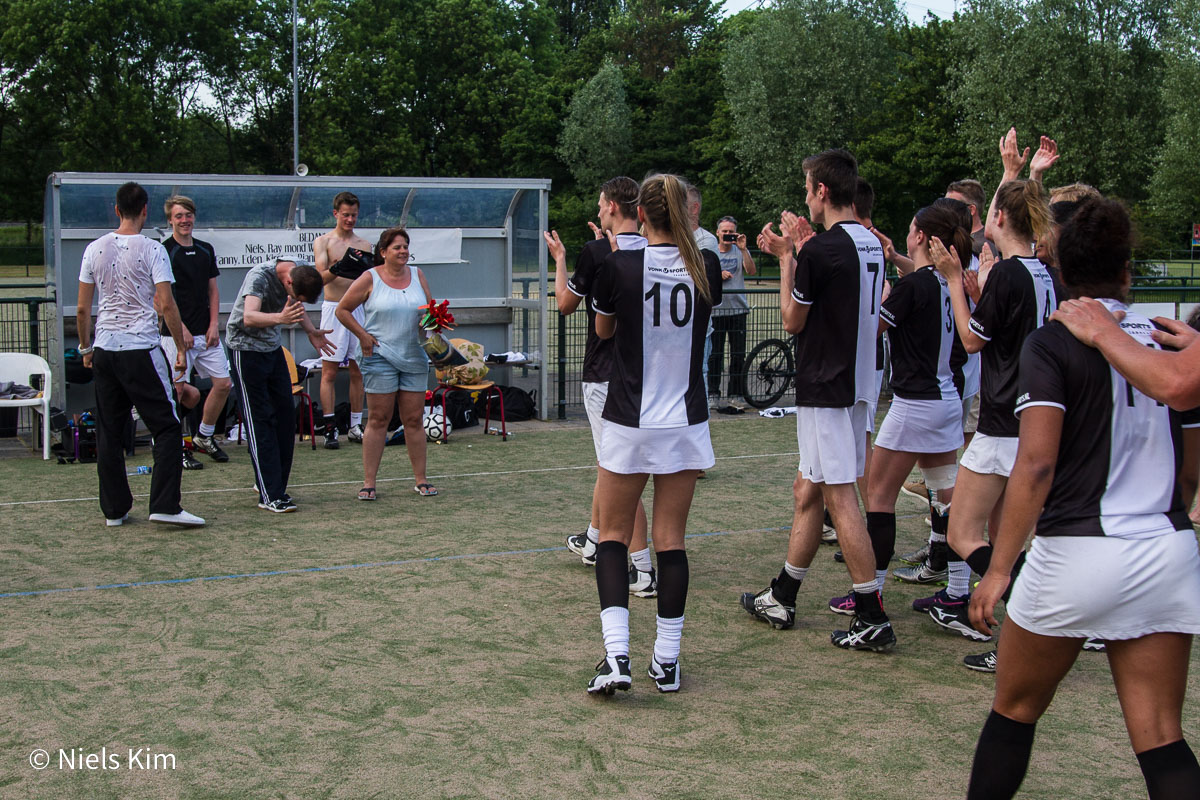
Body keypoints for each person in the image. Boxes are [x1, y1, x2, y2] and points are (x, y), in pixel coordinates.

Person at [965, 197, 1200, 800]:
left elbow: (1037, 463)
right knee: (1161, 736)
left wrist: (998, 568)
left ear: (1062, 272)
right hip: (1165, 548)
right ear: (1127, 270)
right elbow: (1190, 471)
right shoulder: (1177, 341)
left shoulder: (1053, 341)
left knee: (1014, 711)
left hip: (1076, 552)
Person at [743, 148, 896, 653]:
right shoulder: (870, 243)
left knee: (839, 496)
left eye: (808, 187)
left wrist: (788, 258)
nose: (805, 197)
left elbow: (791, 320)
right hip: (857, 385)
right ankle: (783, 595)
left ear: (822, 191)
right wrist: (802, 250)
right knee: (807, 489)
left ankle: (871, 612)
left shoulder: (822, 251)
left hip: (826, 387)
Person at [585, 173, 722, 695]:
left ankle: (617, 656)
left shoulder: (619, 264)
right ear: (685, 212)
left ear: (640, 213)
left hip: (629, 417)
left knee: (614, 536)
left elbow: (603, 330)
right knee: (671, 542)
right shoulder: (705, 263)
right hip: (685, 420)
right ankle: (667, 660)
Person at [930, 161, 1060, 672]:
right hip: (1033, 419)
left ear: (1000, 217)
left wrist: (953, 281)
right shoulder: (1042, 271)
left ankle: (1038, 616)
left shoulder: (1008, 271)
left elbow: (971, 340)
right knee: (1006, 545)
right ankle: (1025, 635)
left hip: (1003, 421)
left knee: (963, 535)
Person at [852, 201, 984, 641]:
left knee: (878, 497)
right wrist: (893, 258)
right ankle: (957, 595)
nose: (907, 234)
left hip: (915, 403)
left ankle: (870, 595)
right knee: (948, 501)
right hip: (946, 400)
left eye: (911, 229)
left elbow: (870, 332)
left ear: (923, 237)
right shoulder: (949, 281)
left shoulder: (912, 287)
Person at [545, 176, 656, 597]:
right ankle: (594, 540)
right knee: (611, 465)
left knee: (620, 474)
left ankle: (642, 568)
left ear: (612, 206)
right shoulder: (655, 248)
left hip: (605, 374)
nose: (596, 210)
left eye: (600, 203)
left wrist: (560, 259)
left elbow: (564, 304)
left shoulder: (596, 253)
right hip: (644, 374)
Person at [75, 181, 204, 528]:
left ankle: (114, 510)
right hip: (140, 348)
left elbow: (83, 309)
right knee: (167, 425)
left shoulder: (93, 249)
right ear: (145, 210)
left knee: (109, 430)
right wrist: (180, 348)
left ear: (117, 210)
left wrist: (86, 348)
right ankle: (165, 505)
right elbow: (166, 303)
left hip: (104, 348)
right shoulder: (152, 249)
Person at [335, 227, 437, 500]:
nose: (403, 251)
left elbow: (430, 311)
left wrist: (434, 323)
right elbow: (342, 310)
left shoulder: (418, 275)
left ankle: (421, 480)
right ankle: (369, 483)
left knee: (414, 419)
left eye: (405, 247)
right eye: (397, 247)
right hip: (379, 357)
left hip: (414, 356)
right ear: (383, 252)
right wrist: (362, 335)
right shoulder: (369, 277)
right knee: (378, 419)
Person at [226, 257, 333, 512]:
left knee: (285, 417)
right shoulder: (259, 277)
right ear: (288, 282)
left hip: (272, 350)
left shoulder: (301, 269)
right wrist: (280, 318)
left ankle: (271, 483)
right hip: (245, 350)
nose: (295, 301)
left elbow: (297, 307)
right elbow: (249, 317)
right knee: (260, 419)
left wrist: (311, 331)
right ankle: (270, 495)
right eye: (294, 296)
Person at [158, 195, 232, 469]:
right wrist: (181, 331)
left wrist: (213, 325)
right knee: (177, 392)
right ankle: (173, 447)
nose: (184, 220)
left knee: (223, 384)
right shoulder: (164, 251)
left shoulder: (205, 249)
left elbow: (213, 291)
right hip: (175, 336)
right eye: (179, 216)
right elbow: (161, 299)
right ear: (170, 220)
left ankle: (204, 436)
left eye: (188, 215)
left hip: (206, 333)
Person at [313, 191, 371, 449]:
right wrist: (339, 266)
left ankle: (356, 425)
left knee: (359, 369)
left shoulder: (364, 244)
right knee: (329, 371)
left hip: (357, 309)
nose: (350, 220)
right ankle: (329, 427)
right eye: (346, 215)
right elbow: (319, 278)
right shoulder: (323, 242)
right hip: (333, 308)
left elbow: (369, 279)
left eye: (354, 215)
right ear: (335, 213)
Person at [709, 216, 756, 402]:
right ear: (717, 233)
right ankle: (713, 393)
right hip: (717, 310)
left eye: (731, 232)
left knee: (737, 355)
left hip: (738, 310)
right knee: (715, 355)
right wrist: (717, 274)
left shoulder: (739, 251)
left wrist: (743, 249)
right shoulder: (711, 252)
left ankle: (735, 394)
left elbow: (751, 271)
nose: (728, 235)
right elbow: (702, 275)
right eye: (725, 231)